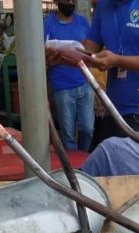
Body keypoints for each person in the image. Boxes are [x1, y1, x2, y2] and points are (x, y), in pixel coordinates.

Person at [76, 0, 139, 149]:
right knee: (112, 167)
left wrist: (118, 61)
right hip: (112, 109)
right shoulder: (105, 5)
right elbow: (89, 48)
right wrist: (62, 53)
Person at [44, 0, 95, 151]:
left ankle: (83, 158)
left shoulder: (83, 22)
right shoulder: (47, 24)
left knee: (88, 129)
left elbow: (91, 49)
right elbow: (40, 55)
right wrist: (49, 57)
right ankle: (72, 167)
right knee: (68, 134)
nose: (70, 2)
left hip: (84, 83)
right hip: (62, 86)